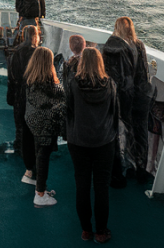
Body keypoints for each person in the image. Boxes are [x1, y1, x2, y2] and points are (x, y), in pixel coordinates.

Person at [66, 47, 118, 244]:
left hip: (78, 141)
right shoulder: (110, 85)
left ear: (82, 63)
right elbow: (115, 112)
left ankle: (86, 230)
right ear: (100, 62)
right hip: (104, 141)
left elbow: (69, 110)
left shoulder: (73, 84)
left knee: (82, 185)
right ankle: (101, 231)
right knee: (101, 187)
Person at [24, 46, 65, 207]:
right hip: (47, 125)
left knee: (38, 153)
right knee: (43, 157)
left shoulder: (30, 79)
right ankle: (40, 193)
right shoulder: (51, 85)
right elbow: (62, 100)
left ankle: (40, 188)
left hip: (33, 122)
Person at [114, 16, 153, 179]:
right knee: (141, 132)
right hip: (141, 96)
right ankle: (142, 168)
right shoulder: (139, 45)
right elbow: (144, 71)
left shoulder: (116, 48)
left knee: (125, 132)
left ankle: (129, 165)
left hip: (126, 98)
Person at [101, 21, 138, 186]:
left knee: (112, 131)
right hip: (126, 94)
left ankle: (113, 169)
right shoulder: (131, 47)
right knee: (128, 128)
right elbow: (132, 73)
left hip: (111, 94)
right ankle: (129, 165)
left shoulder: (108, 46)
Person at [6, 24, 40, 185]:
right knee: (31, 125)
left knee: (19, 123)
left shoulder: (16, 52)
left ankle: (19, 148)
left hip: (19, 92)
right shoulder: (37, 53)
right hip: (32, 93)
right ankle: (31, 154)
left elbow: (11, 76)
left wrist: (11, 96)